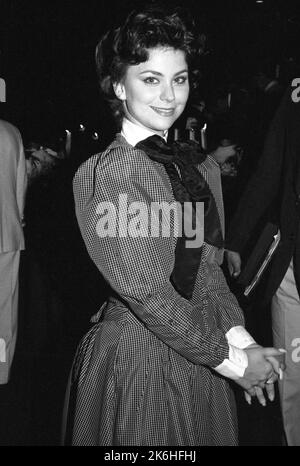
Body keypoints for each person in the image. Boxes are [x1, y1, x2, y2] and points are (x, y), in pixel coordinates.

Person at [62, 6, 284, 446]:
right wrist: (235, 363)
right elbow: (149, 293)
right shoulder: (111, 173)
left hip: (201, 356)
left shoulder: (197, 168)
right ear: (119, 86)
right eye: (151, 79)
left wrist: (243, 343)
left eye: (178, 79)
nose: (169, 95)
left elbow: (207, 273)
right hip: (138, 358)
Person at [226, 83, 300, 445]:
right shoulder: (295, 94)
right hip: (291, 272)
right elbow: (270, 169)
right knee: (293, 382)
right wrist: (236, 239)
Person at [0, 119, 27, 384]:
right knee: (3, 311)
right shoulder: (11, 132)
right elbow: (21, 184)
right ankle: (0, 368)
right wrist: (17, 218)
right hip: (7, 233)